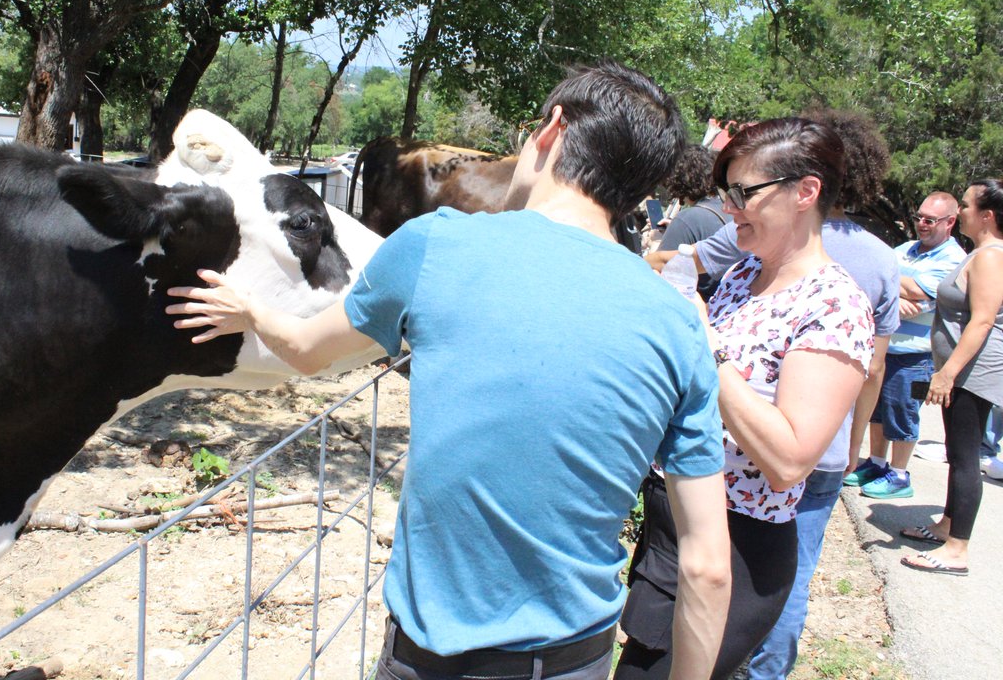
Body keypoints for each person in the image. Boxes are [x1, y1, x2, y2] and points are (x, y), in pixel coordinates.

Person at [167, 60, 732, 680]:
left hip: (430, 660)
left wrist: (250, 311)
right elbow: (707, 567)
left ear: (552, 130)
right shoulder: (679, 324)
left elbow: (305, 350)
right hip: (576, 660)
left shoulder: (435, 244)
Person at [615, 118, 874, 680]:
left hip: (737, 548)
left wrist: (707, 346)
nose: (728, 208)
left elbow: (788, 459)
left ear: (805, 192)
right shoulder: (742, 275)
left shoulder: (834, 307)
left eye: (742, 193)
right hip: (676, 527)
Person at [900, 179, 1003, 576]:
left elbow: (982, 322)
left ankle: (957, 549)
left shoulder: (990, 257)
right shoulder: (979, 253)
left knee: (964, 458)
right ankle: (947, 525)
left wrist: (947, 373)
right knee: (956, 453)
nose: (960, 211)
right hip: (964, 371)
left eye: (966, 205)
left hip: (974, 373)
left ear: (987, 216)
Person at [844, 192, 965, 500]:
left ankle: (899, 474)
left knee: (902, 412)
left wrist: (891, 287)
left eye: (930, 220)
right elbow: (878, 281)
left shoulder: (953, 260)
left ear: (950, 222)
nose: (922, 224)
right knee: (876, 411)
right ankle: (877, 463)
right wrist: (896, 297)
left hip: (916, 356)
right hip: (885, 350)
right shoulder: (904, 250)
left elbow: (921, 293)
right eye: (919, 218)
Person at [654, 146, 731, 301]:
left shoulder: (686, 219)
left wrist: (655, 241)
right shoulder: (730, 210)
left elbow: (656, 274)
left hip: (696, 305)